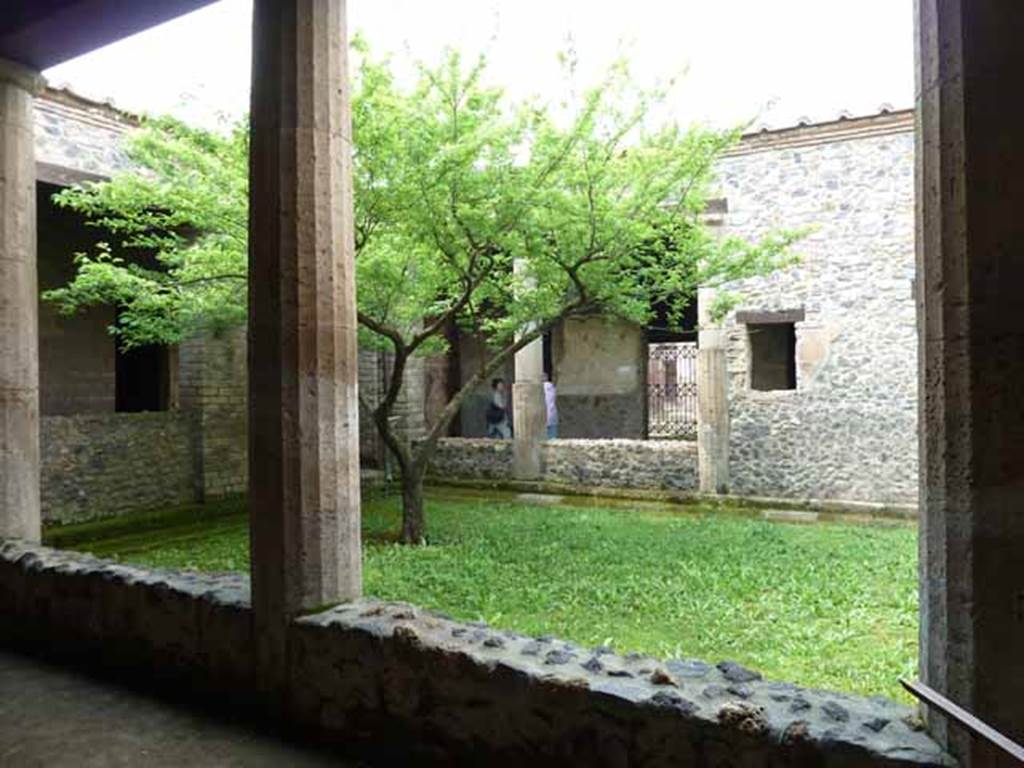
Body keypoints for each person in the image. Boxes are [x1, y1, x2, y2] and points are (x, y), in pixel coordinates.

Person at [543, 374, 558, 439]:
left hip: (543, 418)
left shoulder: (540, 387)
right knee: (552, 439)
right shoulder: (552, 387)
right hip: (552, 417)